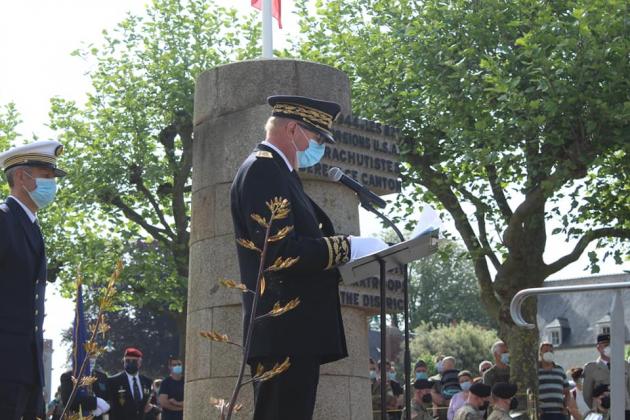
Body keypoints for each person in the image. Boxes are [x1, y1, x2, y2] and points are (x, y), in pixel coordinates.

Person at [230, 95, 387, 420]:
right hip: (283, 330)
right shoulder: (263, 170)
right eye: (316, 138)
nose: (319, 148)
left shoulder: (279, 173)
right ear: (292, 129)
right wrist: (347, 247)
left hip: (293, 331)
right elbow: (280, 252)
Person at [0, 140, 66, 420]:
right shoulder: (3, 221)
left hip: (27, 368)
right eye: (46, 177)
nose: (52, 185)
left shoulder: (30, 227)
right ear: (20, 177)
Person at [583, 334, 630, 418]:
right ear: (598, 348)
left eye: (611, 344)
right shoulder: (591, 368)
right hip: (604, 412)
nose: (609, 347)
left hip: (625, 410)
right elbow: (587, 395)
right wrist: (598, 408)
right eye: (605, 344)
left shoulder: (625, 365)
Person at [107, 347, 154, 420]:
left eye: (134, 361)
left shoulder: (147, 382)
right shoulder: (113, 381)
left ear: (140, 363)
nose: (130, 363)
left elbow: (145, 404)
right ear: (123, 362)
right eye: (127, 361)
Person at [538, 341, 572, 419]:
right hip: (543, 414)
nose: (549, 353)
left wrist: (565, 407)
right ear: (540, 353)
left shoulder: (560, 370)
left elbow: (567, 392)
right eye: (546, 351)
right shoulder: (536, 371)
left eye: (551, 351)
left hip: (559, 414)